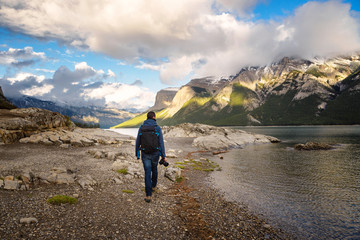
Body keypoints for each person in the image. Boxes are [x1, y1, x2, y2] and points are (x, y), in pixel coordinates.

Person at [135, 111, 167, 203]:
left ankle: (148, 195)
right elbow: (161, 142)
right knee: (155, 169)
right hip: (155, 153)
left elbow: (138, 142)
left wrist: (137, 154)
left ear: (147, 118)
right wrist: (163, 156)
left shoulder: (141, 128)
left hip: (145, 154)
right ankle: (153, 186)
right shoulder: (157, 128)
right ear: (154, 117)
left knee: (147, 173)